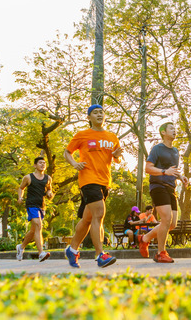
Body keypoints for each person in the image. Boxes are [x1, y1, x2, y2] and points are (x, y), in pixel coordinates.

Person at [63, 104, 123, 269]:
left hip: (105, 182)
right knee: (99, 214)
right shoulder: (82, 135)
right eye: (95, 112)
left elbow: (117, 158)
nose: (99, 114)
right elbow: (67, 152)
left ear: (104, 117)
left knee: (88, 219)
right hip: (88, 179)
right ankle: (100, 255)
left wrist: (117, 156)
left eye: (101, 112)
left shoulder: (112, 137)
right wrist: (74, 163)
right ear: (88, 118)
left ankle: (72, 250)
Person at [137, 122, 188, 264]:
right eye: (171, 128)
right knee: (166, 219)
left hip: (171, 187)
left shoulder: (175, 151)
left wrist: (180, 177)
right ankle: (161, 253)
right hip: (158, 186)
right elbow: (148, 168)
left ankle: (145, 238)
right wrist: (164, 172)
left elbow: (173, 170)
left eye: (175, 128)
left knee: (172, 224)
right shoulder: (157, 149)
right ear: (163, 132)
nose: (175, 130)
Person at [16, 157, 54, 262]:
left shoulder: (48, 178)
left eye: (44, 163)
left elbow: (49, 189)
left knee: (33, 230)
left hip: (41, 206)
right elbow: (21, 188)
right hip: (31, 204)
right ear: (35, 165)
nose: (43, 165)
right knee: (38, 225)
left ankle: (21, 247)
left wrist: (50, 194)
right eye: (40, 163)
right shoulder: (28, 177)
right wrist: (20, 197)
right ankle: (41, 253)